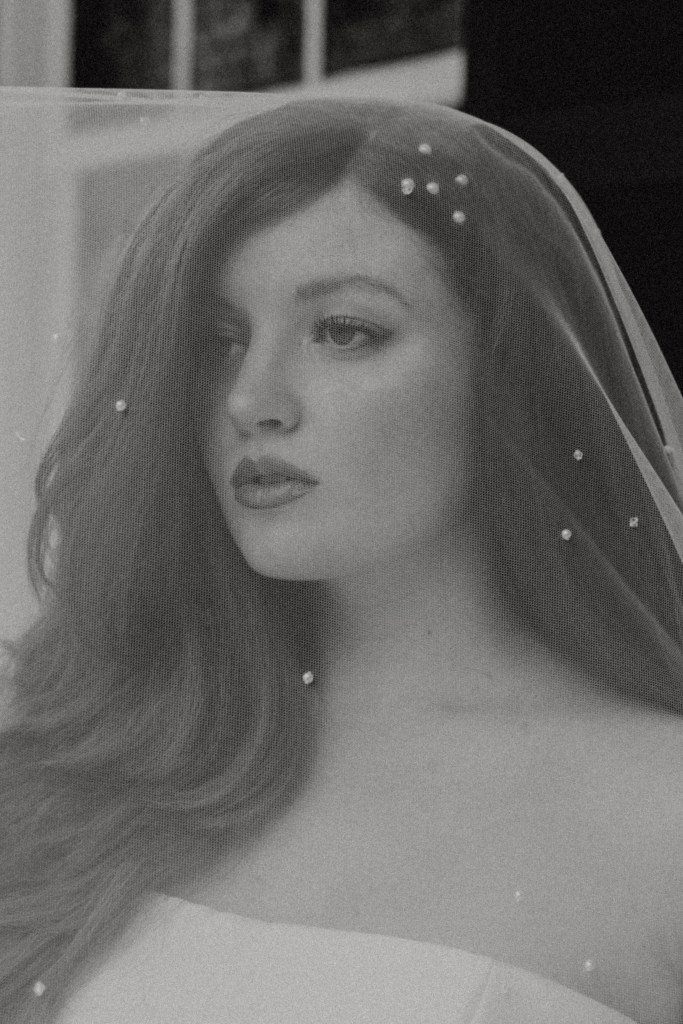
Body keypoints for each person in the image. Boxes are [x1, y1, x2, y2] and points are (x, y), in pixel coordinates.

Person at [1, 90, 683, 1024]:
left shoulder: (658, 812)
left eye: (344, 331)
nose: (252, 399)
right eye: (218, 341)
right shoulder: (94, 757)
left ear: (506, 370)